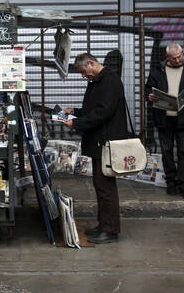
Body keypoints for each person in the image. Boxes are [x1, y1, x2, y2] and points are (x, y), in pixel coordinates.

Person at [62, 53, 128, 244]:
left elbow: (103, 112)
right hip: (99, 142)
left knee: (106, 186)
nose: (84, 76)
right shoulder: (98, 80)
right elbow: (94, 108)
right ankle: (103, 225)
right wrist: (75, 112)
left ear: (91, 63)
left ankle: (110, 230)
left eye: (84, 71)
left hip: (106, 142)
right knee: (100, 185)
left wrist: (77, 124)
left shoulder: (109, 80)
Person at [144, 43, 184, 199]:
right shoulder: (157, 71)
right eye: (174, 58)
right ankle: (171, 182)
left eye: (180, 56)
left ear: (182, 54)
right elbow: (148, 89)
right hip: (163, 118)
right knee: (167, 151)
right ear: (168, 57)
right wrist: (149, 96)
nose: (178, 60)